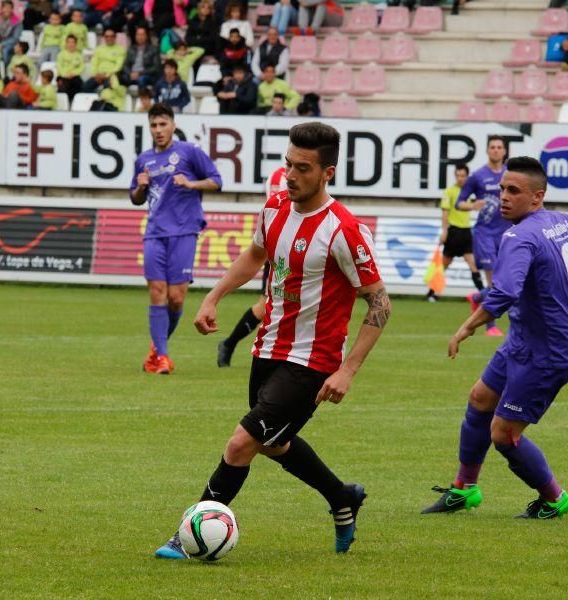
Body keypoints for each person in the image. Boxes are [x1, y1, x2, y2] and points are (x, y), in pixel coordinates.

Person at [155, 121, 391, 560]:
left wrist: (348, 368)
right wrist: (214, 296)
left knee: (240, 444)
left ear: (327, 173)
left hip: (313, 360)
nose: (291, 174)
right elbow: (255, 254)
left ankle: (189, 535)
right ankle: (342, 497)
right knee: (273, 443)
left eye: (303, 167)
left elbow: (379, 303)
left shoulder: (344, 230)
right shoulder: (276, 205)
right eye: (288, 164)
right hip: (267, 348)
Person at [421, 156, 568, 520]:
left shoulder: (518, 235)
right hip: (523, 342)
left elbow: (505, 292)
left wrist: (467, 326)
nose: (504, 198)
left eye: (514, 191)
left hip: (549, 354)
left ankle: (553, 499)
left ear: (537, 197)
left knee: (504, 435)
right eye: (501, 190)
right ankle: (464, 489)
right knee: (480, 398)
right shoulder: (567, 222)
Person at [129, 103, 223, 375]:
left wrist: (191, 184)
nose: (158, 130)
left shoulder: (189, 152)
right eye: (154, 126)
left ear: (173, 125)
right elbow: (135, 198)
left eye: (163, 124)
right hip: (155, 231)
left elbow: (217, 181)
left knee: (177, 299)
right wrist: (140, 187)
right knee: (157, 292)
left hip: (184, 230)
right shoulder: (144, 159)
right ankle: (161, 357)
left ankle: (156, 351)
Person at [216, 165, 286, 368]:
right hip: (277, 250)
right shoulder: (279, 176)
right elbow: (276, 210)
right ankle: (231, 345)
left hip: (296, 250)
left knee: (268, 307)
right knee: (267, 306)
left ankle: (230, 345)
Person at [457, 135, 508, 337]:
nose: (495, 150)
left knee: (506, 282)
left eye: (499, 147)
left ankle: (477, 297)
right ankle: (490, 326)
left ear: (504, 151)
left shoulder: (510, 174)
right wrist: (472, 205)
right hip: (484, 233)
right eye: (492, 147)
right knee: (495, 283)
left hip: (505, 233)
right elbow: (459, 203)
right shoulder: (477, 176)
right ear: (487, 151)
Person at [426, 164, 483, 302]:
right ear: (455, 176)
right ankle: (431, 293)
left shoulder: (469, 192)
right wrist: (444, 231)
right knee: (444, 264)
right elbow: (445, 213)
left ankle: (483, 294)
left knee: (473, 264)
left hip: (465, 232)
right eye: (458, 175)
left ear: (467, 176)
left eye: (463, 176)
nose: (460, 178)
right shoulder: (449, 191)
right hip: (453, 232)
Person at [84, 27, 126, 93]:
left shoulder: (120, 50)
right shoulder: (99, 49)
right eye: (106, 36)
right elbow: (94, 63)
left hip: (112, 76)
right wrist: (96, 74)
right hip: (98, 75)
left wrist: (106, 75)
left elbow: (118, 66)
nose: (109, 38)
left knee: (107, 89)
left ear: (115, 37)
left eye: (111, 36)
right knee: (85, 87)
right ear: (104, 37)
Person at [56, 35, 86, 101]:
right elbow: (59, 67)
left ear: (75, 44)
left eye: (72, 42)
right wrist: (65, 74)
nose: (70, 44)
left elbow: (81, 67)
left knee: (82, 86)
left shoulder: (79, 55)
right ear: (66, 43)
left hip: (74, 76)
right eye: (69, 42)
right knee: (64, 85)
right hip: (63, 76)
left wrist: (73, 73)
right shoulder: (61, 54)